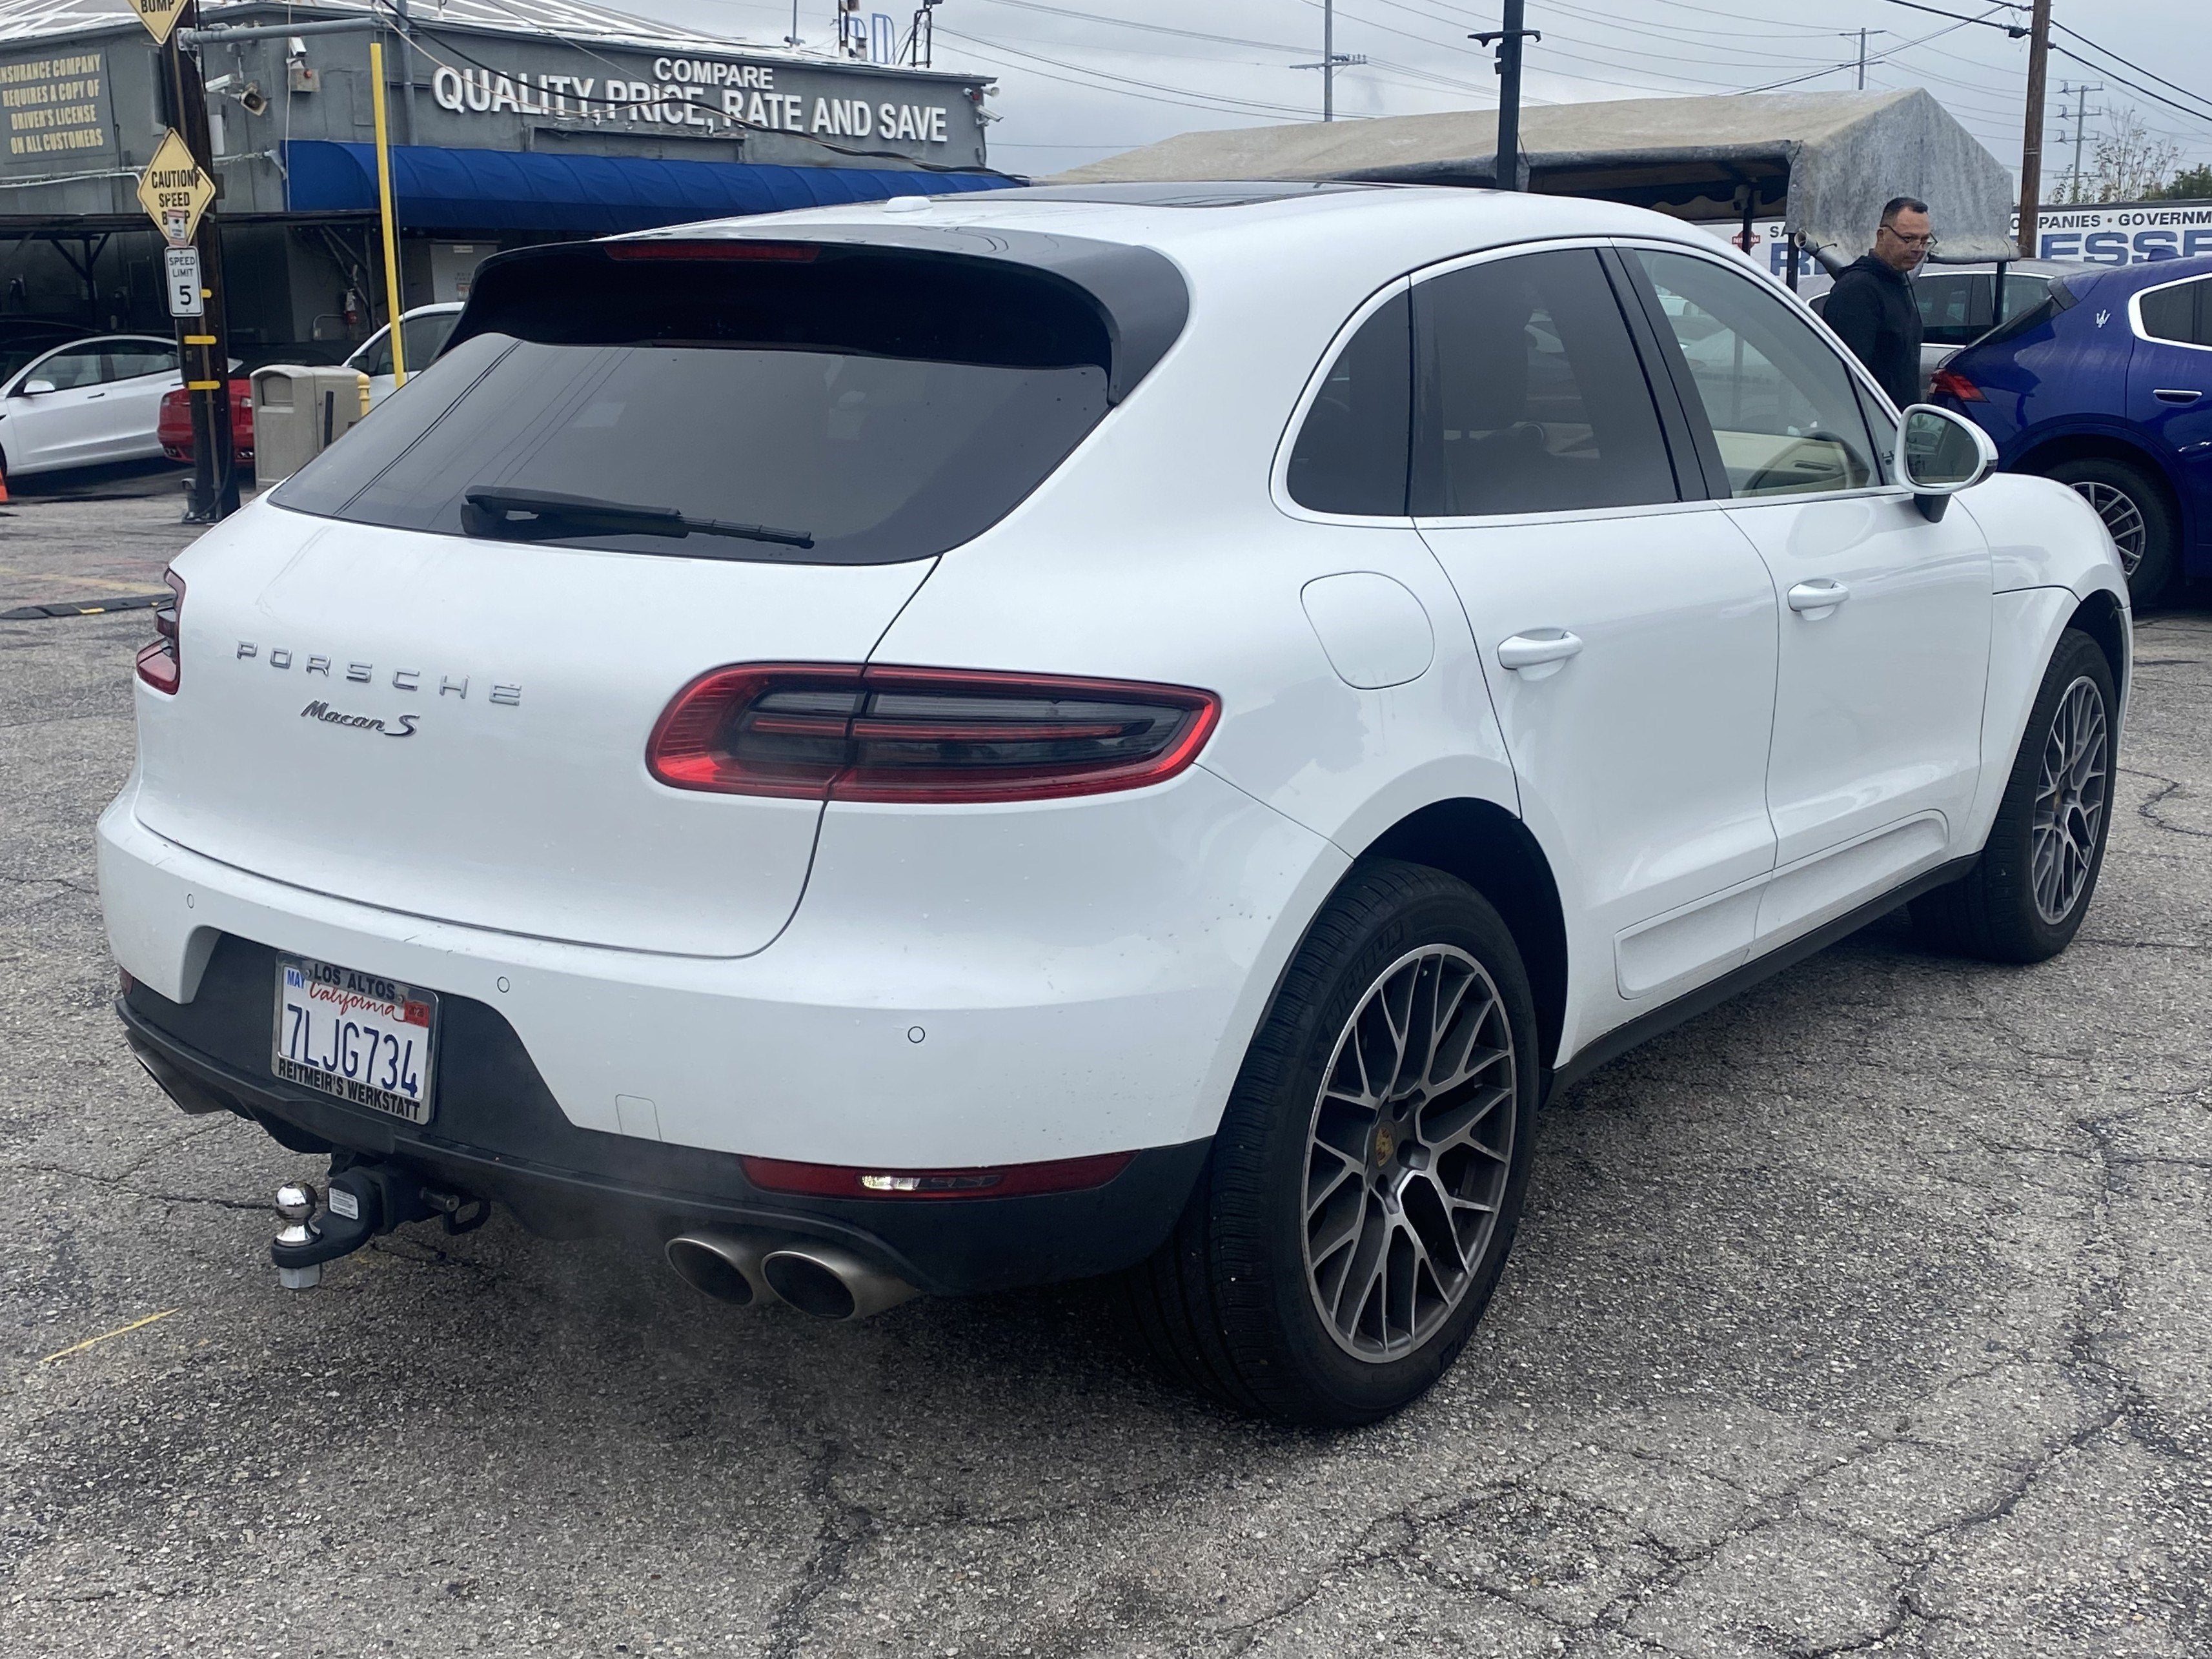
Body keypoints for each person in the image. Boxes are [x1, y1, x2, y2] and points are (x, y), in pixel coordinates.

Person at [1823, 196, 1931, 408]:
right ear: (1882, 235)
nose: (1918, 248)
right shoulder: (1858, 290)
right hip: (1868, 425)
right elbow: (1846, 377)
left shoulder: (1899, 281)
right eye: (1908, 239)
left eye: (1924, 240)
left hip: (1895, 421)